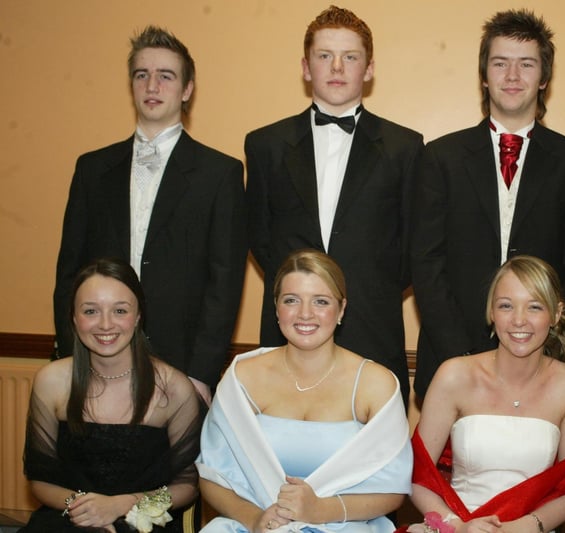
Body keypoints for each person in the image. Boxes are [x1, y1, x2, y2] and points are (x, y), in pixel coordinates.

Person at [411, 8, 565, 401]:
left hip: (543, 369)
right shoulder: (440, 157)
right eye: (501, 63)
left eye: (526, 64)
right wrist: (461, 357)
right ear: (484, 75)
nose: (513, 76)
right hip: (452, 362)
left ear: (544, 77)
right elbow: (426, 263)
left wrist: (549, 352)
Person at [53, 26, 248, 404]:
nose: (152, 86)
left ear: (187, 90)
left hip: (180, 366)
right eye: (142, 75)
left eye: (166, 76)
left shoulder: (220, 174)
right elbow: (68, 272)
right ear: (132, 85)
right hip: (94, 362)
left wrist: (201, 374)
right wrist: (68, 359)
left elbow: (224, 283)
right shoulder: (92, 169)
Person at [245, 6, 424, 405]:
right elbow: (259, 236)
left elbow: (413, 246)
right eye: (325, 56)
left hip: (372, 328)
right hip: (287, 331)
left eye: (350, 56)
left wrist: (365, 287)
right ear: (306, 67)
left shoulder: (405, 147)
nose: (337, 67)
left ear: (369, 68)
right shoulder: (264, 145)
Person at [196, 249, 412, 533]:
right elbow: (212, 476)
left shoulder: (375, 383)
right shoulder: (243, 377)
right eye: (291, 301)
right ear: (276, 308)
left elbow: (394, 488)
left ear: (341, 309)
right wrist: (254, 519)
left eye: (321, 301)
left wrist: (322, 510)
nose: (305, 314)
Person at [409, 255, 565, 533]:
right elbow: (416, 476)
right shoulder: (455, 375)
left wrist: (527, 526)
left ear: (556, 314)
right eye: (506, 306)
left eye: (534, 307)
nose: (519, 320)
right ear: (491, 313)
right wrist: (457, 525)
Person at [22, 257, 205, 532]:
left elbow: (188, 485)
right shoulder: (51, 381)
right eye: (91, 311)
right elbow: (40, 480)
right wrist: (86, 508)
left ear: (138, 315)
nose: (105, 324)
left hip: (145, 523)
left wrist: (123, 505)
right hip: (68, 518)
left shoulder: (174, 388)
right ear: (74, 316)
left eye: (120, 311)